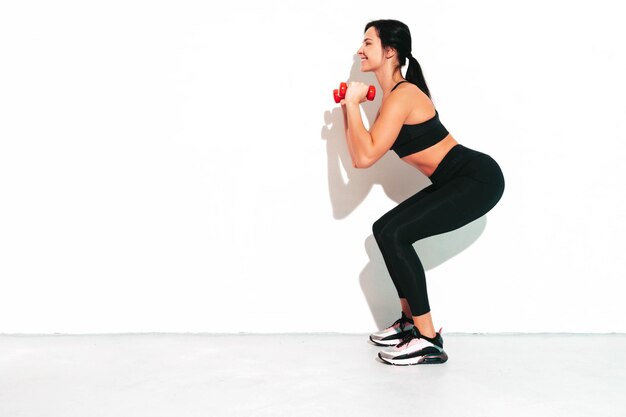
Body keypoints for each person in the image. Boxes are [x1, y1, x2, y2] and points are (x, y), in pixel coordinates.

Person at [340, 19, 505, 366]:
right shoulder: (392, 100)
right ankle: (409, 324)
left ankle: (428, 338)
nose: (359, 50)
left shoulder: (404, 96)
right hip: (455, 180)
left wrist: (354, 105)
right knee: (385, 230)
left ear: (390, 51)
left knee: (396, 233)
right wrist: (348, 108)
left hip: (477, 178)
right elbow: (359, 156)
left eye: (368, 43)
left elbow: (367, 154)